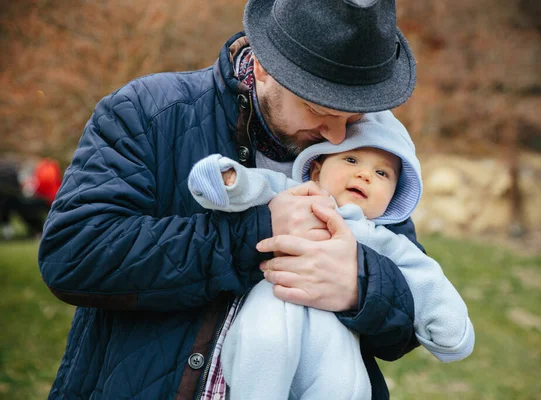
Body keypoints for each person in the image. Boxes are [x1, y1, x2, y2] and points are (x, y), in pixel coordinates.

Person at [38, 0, 422, 399]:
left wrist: (359, 287)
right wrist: (253, 235)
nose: (340, 137)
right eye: (318, 109)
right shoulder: (149, 111)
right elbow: (73, 253)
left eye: (354, 117)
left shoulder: (376, 148)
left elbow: (411, 315)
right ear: (262, 67)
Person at [188, 111, 475, 399]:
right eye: (351, 160)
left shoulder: (382, 240)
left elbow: (421, 274)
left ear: (393, 196)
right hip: (275, 301)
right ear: (316, 171)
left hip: (334, 330)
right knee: (266, 345)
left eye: (382, 173)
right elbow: (259, 185)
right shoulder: (298, 196)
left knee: (343, 383)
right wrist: (228, 180)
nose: (364, 174)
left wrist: (449, 327)